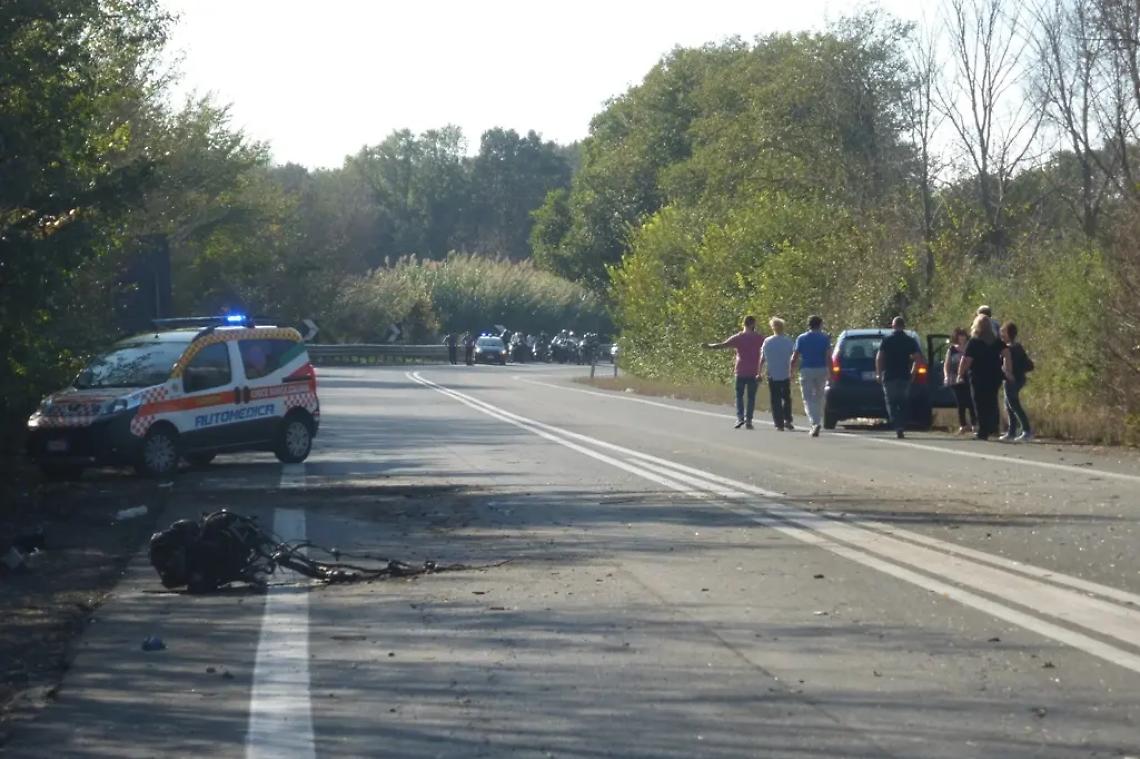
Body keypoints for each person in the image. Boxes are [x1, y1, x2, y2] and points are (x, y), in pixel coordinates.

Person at [957, 314, 1013, 440]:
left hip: (978, 376)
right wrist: (1008, 370)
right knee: (992, 401)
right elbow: (1007, 353)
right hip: (994, 376)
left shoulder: (974, 342)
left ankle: (983, 430)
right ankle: (993, 427)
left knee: (979, 403)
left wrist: (960, 374)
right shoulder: (996, 341)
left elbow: (967, 360)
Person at [704, 315, 764, 429]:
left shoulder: (738, 337)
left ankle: (740, 418)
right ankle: (749, 420)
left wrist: (709, 346)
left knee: (739, 396)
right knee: (751, 397)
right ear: (753, 324)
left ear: (744, 324)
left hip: (741, 371)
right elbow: (767, 350)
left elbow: (722, 345)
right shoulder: (760, 338)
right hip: (754, 371)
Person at [875, 316, 922, 438]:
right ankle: (902, 424)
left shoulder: (887, 340)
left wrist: (879, 373)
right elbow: (918, 358)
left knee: (891, 402)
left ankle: (897, 425)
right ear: (903, 326)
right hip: (904, 375)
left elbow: (879, 358)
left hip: (890, 375)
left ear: (893, 326)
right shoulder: (910, 340)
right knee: (903, 401)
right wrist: (913, 372)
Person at [790, 315, 831, 437]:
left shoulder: (801, 338)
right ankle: (817, 421)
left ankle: (814, 423)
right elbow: (828, 356)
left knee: (807, 398)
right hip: (821, 368)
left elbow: (795, 356)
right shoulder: (824, 338)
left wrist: (791, 371)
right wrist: (831, 372)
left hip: (806, 369)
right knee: (819, 396)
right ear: (820, 324)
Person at [758, 317, 795, 430]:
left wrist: (759, 372)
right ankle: (787, 419)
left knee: (775, 399)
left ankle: (779, 422)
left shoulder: (767, 341)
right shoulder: (788, 341)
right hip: (785, 373)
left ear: (772, 327)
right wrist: (793, 371)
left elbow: (762, 358)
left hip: (772, 373)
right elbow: (793, 357)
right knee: (786, 398)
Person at [1000, 322, 1034, 441]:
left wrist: (1008, 374)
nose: (1001, 334)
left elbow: (1006, 365)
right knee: (1008, 405)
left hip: (1012, 379)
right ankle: (1011, 431)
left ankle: (1027, 430)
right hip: (1018, 378)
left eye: (1003, 332)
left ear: (1008, 333)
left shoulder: (1009, 348)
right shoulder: (1017, 346)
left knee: (1013, 404)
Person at [943, 327, 977, 434]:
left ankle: (974, 424)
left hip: (968, 377)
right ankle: (963, 425)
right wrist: (946, 376)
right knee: (960, 402)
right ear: (956, 337)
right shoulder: (952, 349)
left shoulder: (970, 348)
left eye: (963, 335)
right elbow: (947, 364)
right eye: (960, 335)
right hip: (955, 378)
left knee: (971, 401)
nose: (962, 337)